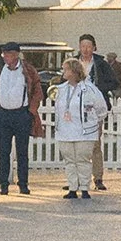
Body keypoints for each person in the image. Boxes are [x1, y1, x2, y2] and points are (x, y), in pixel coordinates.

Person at [0, 42, 41, 196]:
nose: (6, 57)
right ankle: (3, 184)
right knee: (4, 152)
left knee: (22, 152)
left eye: (9, 54)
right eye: (4, 55)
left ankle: (23, 184)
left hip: (22, 114)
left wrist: (31, 111)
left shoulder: (27, 70)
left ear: (16, 54)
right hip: (3, 114)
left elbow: (37, 90)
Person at [74, 35, 121, 192]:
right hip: (77, 107)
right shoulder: (74, 63)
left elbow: (114, 81)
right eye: (83, 46)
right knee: (76, 144)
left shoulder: (101, 64)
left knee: (95, 144)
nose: (86, 49)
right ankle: (76, 178)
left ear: (94, 47)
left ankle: (97, 177)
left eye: (89, 46)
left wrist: (98, 88)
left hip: (94, 108)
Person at [51, 59, 108, 199]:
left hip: (84, 132)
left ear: (74, 71)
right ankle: (72, 188)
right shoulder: (61, 89)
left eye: (66, 69)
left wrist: (97, 124)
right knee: (70, 161)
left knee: (82, 160)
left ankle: (84, 187)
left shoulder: (89, 89)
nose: (63, 72)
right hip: (65, 131)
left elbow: (101, 108)